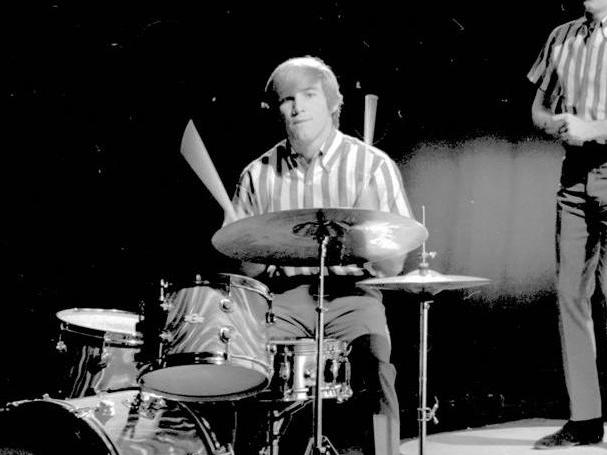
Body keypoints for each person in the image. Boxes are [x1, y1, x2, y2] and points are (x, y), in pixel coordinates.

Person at [229, 56, 414, 454]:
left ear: (333, 103)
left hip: (354, 295)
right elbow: (247, 270)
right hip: (283, 299)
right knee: (248, 368)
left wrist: (367, 229)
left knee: (376, 366)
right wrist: (244, 238)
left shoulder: (372, 166)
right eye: (287, 99)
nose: (297, 108)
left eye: (309, 96)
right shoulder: (257, 174)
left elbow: (392, 265)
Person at [527, 0, 607, 449]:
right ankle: (585, 419)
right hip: (574, 176)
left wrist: (593, 129)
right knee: (571, 296)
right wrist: (554, 124)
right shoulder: (562, 36)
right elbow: (537, 108)